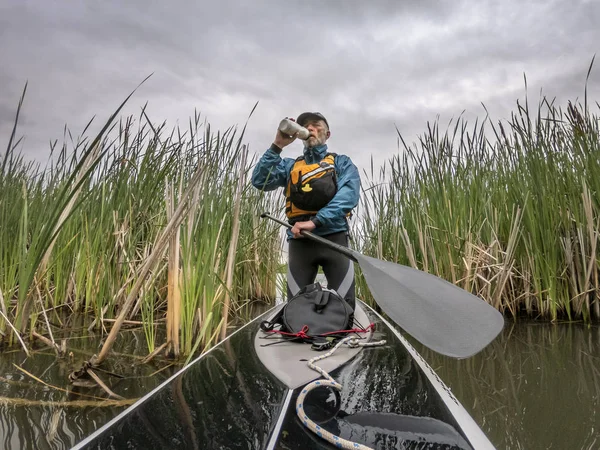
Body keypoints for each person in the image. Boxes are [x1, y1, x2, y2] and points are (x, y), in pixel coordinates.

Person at [251, 112, 360, 310]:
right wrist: (277, 146)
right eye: (305, 125)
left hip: (334, 240)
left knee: (346, 306)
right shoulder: (289, 166)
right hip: (299, 242)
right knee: (296, 307)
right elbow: (260, 181)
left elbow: (348, 196)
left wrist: (315, 221)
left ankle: (344, 331)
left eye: (316, 125)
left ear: (327, 134)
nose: (310, 128)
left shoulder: (341, 163)